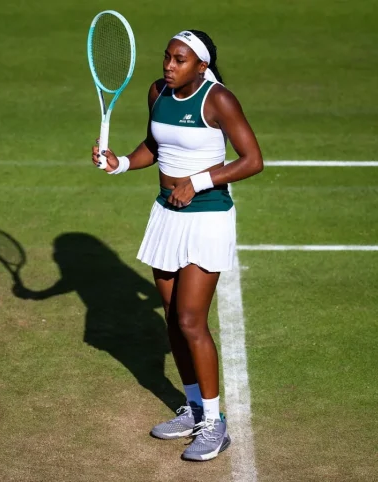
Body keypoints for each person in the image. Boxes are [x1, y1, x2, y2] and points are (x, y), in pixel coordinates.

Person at [90, 29, 263, 461]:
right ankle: (193, 407)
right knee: (171, 317)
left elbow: (252, 161)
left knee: (190, 320)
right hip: (166, 215)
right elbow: (155, 145)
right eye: (167, 57)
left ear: (201, 66)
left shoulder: (218, 100)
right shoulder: (158, 92)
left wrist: (198, 181)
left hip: (207, 218)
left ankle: (214, 423)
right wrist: (121, 163)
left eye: (179, 60)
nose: (169, 66)